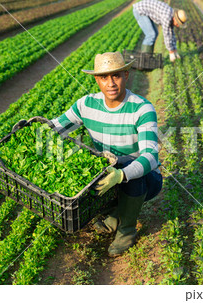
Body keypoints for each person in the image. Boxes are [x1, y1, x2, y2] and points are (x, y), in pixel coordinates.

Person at [49, 52, 162, 257]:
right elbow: (56, 127)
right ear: (96, 80)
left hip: (143, 178)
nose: (110, 83)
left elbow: (151, 157)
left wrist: (121, 175)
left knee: (129, 166)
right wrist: (32, 127)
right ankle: (114, 214)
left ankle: (126, 231)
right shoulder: (86, 105)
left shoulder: (142, 108)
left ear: (126, 75)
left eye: (116, 76)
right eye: (104, 77)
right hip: (105, 170)